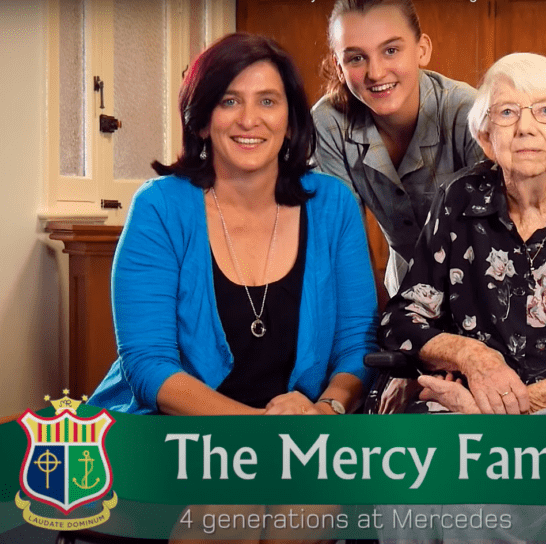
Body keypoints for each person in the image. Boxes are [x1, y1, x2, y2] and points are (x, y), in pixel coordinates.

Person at [89, 33, 377, 421]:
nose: (248, 119)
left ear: (291, 122)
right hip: (172, 436)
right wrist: (256, 428)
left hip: (305, 436)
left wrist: (329, 406)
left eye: (268, 101)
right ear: (203, 121)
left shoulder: (335, 204)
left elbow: (357, 343)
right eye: (229, 101)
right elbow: (147, 363)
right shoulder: (159, 207)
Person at [378, 52, 546, 416]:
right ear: (486, 139)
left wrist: (499, 411)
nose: (525, 128)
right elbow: (403, 318)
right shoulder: (458, 200)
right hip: (462, 408)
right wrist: (473, 357)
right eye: (507, 113)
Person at [312, 0, 485, 298]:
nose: (376, 73)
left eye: (391, 50)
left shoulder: (466, 110)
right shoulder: (328, 123)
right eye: (356, 58)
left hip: (479, 286)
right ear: (339, 66)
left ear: (422, 50)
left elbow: (497, 235)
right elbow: (340, 244)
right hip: (401, 291)